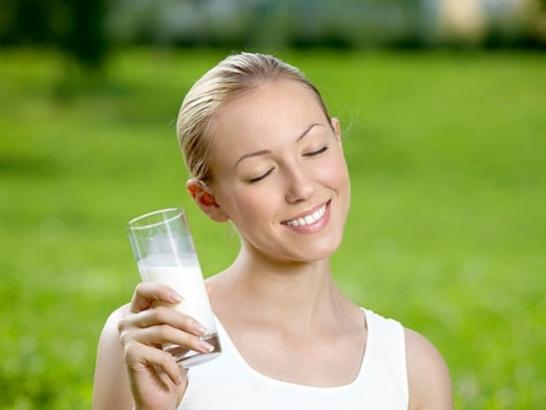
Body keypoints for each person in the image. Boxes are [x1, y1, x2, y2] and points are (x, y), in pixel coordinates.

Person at [92, 52, 452, 410]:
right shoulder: (157, 343)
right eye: (261, 173)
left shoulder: (411, 369)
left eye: (315, 150)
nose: (302, 187)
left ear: (337, 139)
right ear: (208, 200)